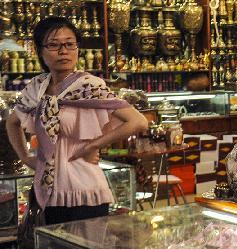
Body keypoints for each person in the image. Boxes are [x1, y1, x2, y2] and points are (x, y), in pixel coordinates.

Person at [6, 17, 148, 228]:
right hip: (49, 190)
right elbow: (12, 122)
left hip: (85, 188)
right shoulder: (36, 88)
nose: (63, 51)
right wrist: (25, 157)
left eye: (70, 44)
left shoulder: (90, 86)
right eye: (54, 45)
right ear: (40, 51)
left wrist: (94, 144)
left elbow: (138, 121)